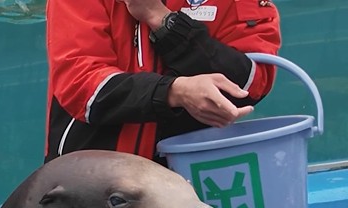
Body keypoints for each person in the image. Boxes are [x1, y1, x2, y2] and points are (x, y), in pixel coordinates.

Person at [44, 0, 282, 163]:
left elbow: (252, 84)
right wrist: (173, 93)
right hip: (93, 179)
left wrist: (163, 20)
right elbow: (81, 86)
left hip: (188, 181)